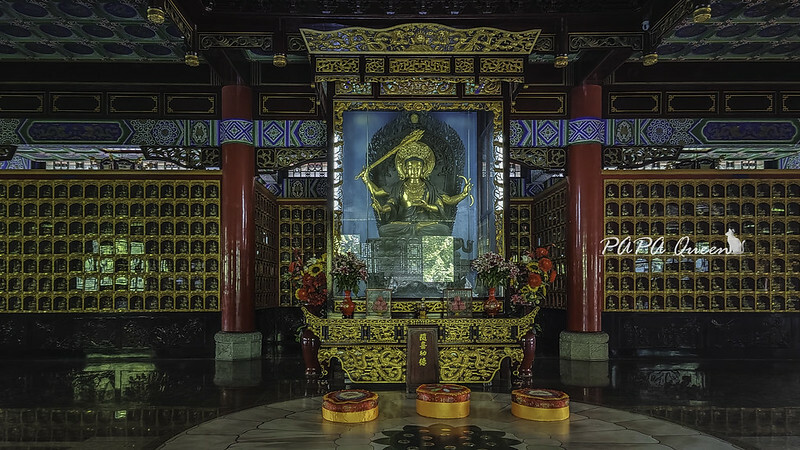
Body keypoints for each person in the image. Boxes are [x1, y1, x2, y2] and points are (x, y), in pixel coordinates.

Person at [358, 130, 472, 237]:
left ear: (423, 169)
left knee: (443, 229)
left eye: (417, 168)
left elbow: (448, 200)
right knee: (384, 230)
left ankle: (415, 230)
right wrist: (367, 180)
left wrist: (463, 195)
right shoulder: (399, 186)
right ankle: (413, 230)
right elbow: (379, 193)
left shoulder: (430, 188)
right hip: (403, 224)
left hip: (425, 224)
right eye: (410, 168)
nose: (414, 171)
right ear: (405, 169)